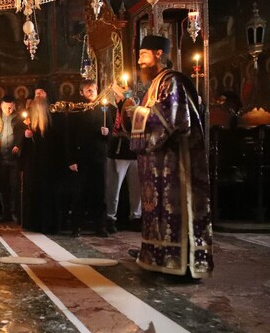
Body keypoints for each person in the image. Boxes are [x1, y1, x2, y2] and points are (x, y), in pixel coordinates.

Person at [129, 35, 213, 279]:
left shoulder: (172, 81)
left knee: (174, 211)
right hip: (159, 165)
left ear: (158, 54)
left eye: (143, 55)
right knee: (158, 214)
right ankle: (159, 257)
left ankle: (181, 263)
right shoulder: (156, 84)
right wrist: (132, 111)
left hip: (176, 165)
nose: (139, 61)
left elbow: (171, 118)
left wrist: (135, 111)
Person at [67, 80, 112, 237]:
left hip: (98, 156)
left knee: (100, 193)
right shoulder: (77, 110)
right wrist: (71, 159)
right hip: (81, 157)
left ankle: (101, 226)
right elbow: (70, 136)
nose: (91, 92)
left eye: (93, 89)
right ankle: (77, 226)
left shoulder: (104, 109)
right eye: (88, 90)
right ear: (82, 92)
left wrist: (107, 133)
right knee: (79, 193)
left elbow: (110, 132)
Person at [18, 84, 63, 233]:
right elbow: (25, 142)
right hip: (34, 162)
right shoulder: (30, 115)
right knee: (34, 192)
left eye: (41, 92)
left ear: (47, 94)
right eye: (36, 93)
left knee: (49, 193)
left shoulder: (56, 114)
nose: (37, 96)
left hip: (51, 161)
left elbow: (61, 139)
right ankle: (34, 223)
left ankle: (49, 224)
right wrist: (26, 136)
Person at [105, 94, 141, 233]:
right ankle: (110, 217)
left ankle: (136, 217)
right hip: (118, 152)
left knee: (136, 189)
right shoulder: (108, 107)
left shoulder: (134, 103)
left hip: (135, 151)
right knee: (114, 188)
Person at [0, 95, 21, 222]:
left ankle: (15, 212)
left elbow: (23, 136)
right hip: (0, 159)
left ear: (14, 106)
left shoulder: (19, 119)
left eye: (10, 107)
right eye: (6, 107)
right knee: (3, 187)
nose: (8, 110)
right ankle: (6, 212)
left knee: (15, 187)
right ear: (1, 106)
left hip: (15, 159)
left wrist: (19, 145)